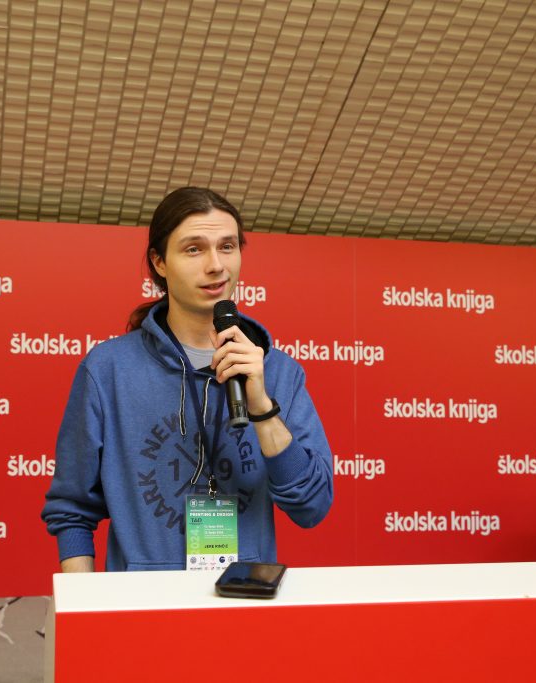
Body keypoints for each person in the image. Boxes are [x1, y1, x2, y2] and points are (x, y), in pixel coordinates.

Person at [41, 187, 333, 572]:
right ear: (159, 262)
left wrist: (262, 409)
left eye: (227, 247)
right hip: (141, 602)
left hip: (242, 597)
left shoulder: (277, 370)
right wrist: (86, 602)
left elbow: (312, 506)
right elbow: (72, 510)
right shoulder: (108, 369)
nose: (216, 265)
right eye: (194, 249)